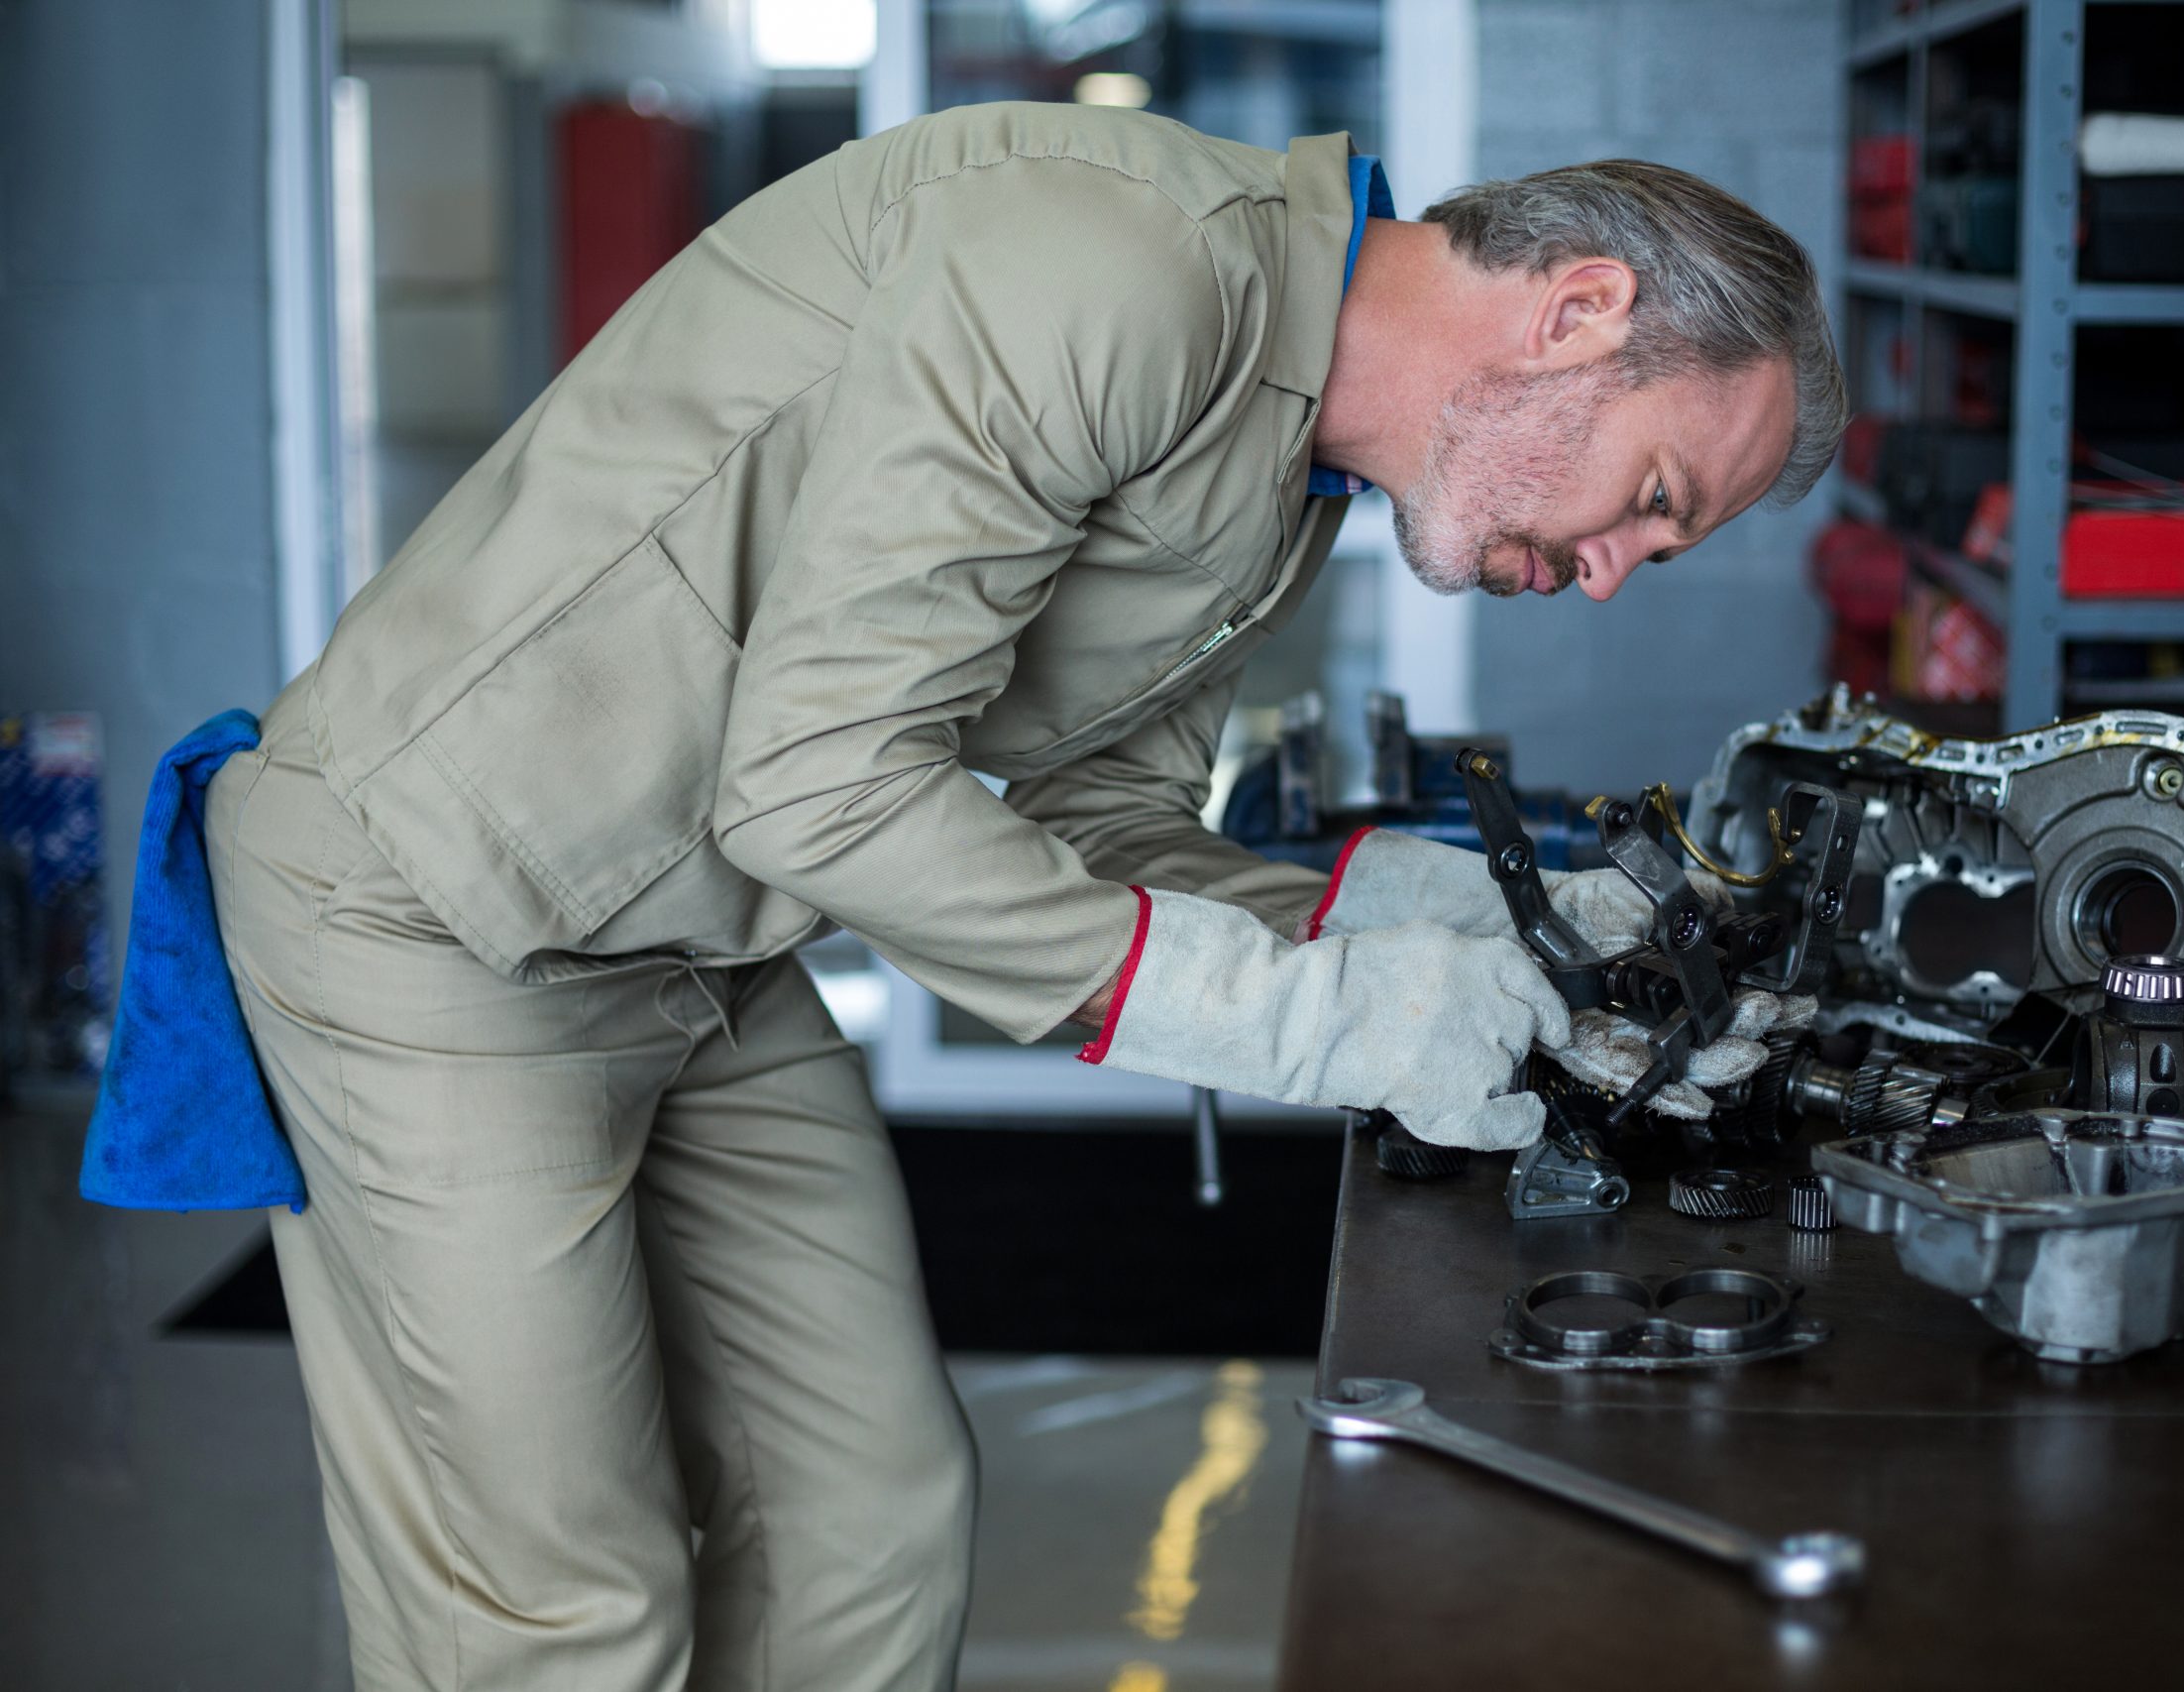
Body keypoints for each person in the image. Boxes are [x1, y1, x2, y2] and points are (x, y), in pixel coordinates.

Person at [204, 101, 1842, 1689]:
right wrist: (1304, 1016)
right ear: (1580, 310)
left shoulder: (1286, 478)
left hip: (698, 928)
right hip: (434, 907)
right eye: (1655, 500)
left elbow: (1106, 820)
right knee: (563, 1610)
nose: (1615, 571)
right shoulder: (1118, 266)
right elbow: (822, 779)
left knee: (866, 1514)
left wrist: (1471, 931)